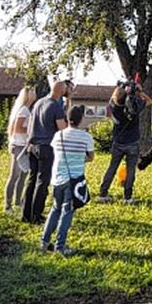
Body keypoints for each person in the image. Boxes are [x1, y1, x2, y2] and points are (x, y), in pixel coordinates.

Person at [41, 104, 94, 256]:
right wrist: (79, 158)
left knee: (55, 208)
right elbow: (90, 157)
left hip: (57, 178)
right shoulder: (86, 137)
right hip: (74, 180)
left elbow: (56, 152)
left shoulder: (59, 135)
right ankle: (60, 246)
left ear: (67, 118)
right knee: (67, 212)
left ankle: (44, 242)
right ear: (81, 119)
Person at [22, 79, 72, 224]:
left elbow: (31, 124)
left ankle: (26, 213)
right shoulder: (55, 107)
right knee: (42, 182)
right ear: (62, 91)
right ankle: (36, 215)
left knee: (31, 180)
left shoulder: (39, 102)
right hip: (46, 147)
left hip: (33, 145)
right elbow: (62, 129)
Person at [97, 81, 152, 204]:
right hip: (132, 142)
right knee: (131, 170)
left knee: (112, 168)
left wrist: (122, 88)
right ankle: (127, 197)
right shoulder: (135, 107)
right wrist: (139, 92)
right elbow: (150, 101)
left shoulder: (113, 105)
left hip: (118, 142)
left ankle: (103, 193)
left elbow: (114, 97)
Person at [4, 86, 37, 213]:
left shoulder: (26, 109)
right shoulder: (23, 110)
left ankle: (18, 201)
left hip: (24, 145)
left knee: (23, 174)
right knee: (15, 175)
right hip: (19, 145)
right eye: (32, 92)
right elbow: (18, 128)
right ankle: (8, 205)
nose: (35, 94)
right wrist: (31, 130)